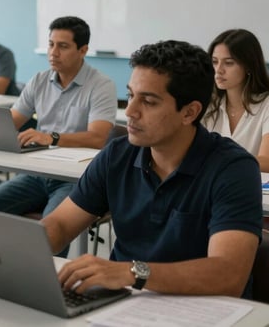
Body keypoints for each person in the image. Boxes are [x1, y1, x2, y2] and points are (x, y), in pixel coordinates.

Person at [44, 40, 262, 298]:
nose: (130, 112)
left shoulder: (233, 169)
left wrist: (132, 273)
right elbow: (59, 224)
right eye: (131, 95)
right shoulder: (117, 154)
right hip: (124, 301)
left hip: (204, 310)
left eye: (148, 101)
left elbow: (228, 275)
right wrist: (10, 248)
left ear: (189, 112)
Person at [0, 16, 116, 256]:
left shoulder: (101, 85)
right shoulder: (39, 80)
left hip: (76, 179)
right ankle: (2, 264)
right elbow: (12, 121)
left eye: (63, 46)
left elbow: (98, 138)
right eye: (50, 44)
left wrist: (52, 137)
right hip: (36, 173)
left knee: (53, 228)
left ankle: (47, 283)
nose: (53, 52)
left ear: (83, 50)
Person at [203, 29, 269, 172]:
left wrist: (221, 159)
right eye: (214, 62)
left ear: (249, 66)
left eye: (229, 63)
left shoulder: (266, 104)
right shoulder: (206, 104)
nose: (218, 70)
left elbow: (267, 162)